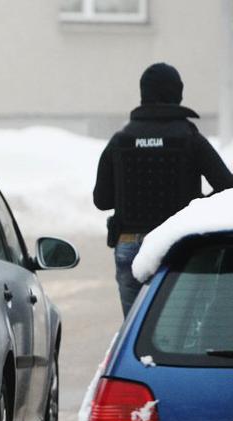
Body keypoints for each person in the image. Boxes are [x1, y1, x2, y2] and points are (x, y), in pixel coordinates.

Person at [94, 62, 233, 316]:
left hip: (129, 246)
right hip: (177, 245)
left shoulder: (121, 140)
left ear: (143, 93)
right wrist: (196, 207)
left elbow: (101, 200)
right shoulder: (190, 138)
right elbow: (228, 187)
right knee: (180, 325)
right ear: (177, 93)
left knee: (137, 327)